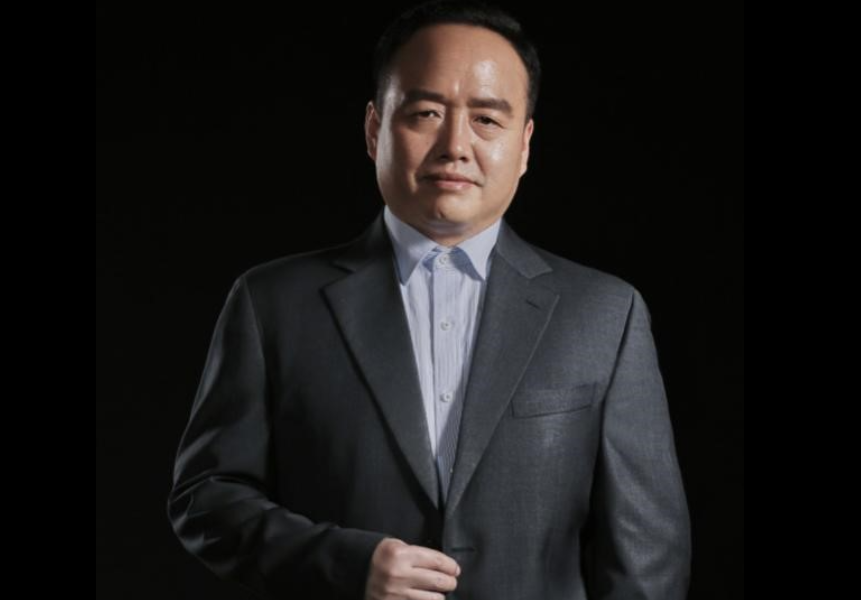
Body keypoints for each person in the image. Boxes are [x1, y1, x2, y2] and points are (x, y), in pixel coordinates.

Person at [167, 1, 691, 599]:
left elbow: (648, 554)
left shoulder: (606, 314)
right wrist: (346, 564)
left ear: (524, 145)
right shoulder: (272, 304)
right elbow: (206, 498)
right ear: (375, 129)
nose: (454, 146)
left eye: (486, 120)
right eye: (426, 113)